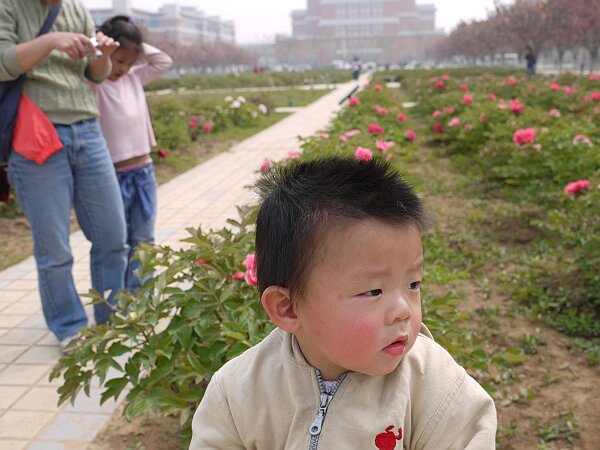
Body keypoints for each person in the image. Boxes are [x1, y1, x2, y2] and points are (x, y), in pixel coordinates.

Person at [190, 157, 497, 449]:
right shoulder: (238, 392)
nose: (404, 310)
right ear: (288, 308)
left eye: (413, 284)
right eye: (373, 291)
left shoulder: (434, 386)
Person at [0, 0, 129, 346]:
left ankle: (111, 320)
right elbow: (3, 64)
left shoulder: (75, 8)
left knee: (113, 237)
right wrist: (51, 40)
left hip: (87, 129)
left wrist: (102, 54)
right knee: (54, 248)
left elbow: (95, 73)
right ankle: (69, 327)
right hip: (36, 135)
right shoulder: (8, 6)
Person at [92, 15, 172, 292]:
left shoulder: (135, 77)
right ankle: (116, 298)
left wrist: (134, 41)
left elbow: (163, 61)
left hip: (143, 171)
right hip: (111, 176)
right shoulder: (96, 82)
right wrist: (103, 46)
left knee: (144, 238)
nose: (122, 68)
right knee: (118, 240)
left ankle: (141, 298)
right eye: (118, 60)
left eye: (129, 62)